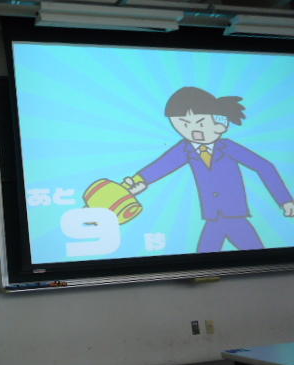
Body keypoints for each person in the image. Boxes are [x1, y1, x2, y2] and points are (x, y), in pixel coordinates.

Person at [124, 86, 294, 252]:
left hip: (235, 216)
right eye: (183, 124)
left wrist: (285, 200)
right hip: (213, 217)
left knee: (256, 258)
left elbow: (264, 167)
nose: (193, 130)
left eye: (200, 123)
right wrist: (138, 181)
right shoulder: (185, 149)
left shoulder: (228, 147)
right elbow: (161, 166)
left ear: (220, 123)